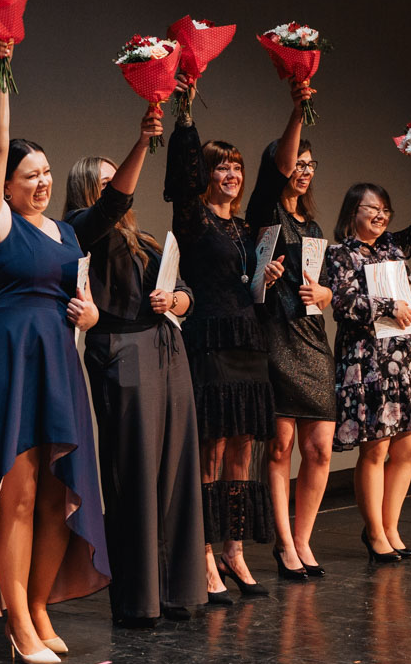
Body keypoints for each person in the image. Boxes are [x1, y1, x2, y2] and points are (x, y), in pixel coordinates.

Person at [0, 38, 107, 664]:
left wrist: (91, 315)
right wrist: (1, 69)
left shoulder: (65, 232)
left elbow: (81, 297)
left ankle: (38, 606)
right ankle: (15, 620)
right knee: (16, 495)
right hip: (10, 364)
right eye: (29, 175)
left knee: (56, 495)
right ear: (6, 186)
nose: (42, 182)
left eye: (46, 172)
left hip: (59, 366)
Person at [64, 108, 208, 628]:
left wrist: (177, 301)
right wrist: (144, 141)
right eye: (105, 184)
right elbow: (111, 207)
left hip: (168, 350)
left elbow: (186, 292)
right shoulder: (81, 230)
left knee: (177, 470)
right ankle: (139, 598)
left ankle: (178, 589)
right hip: (123, 352)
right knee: (136, 475)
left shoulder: (146, 240)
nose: (119, 190)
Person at [165, 78, 286, 600]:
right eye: (221, 167)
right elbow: (182, 174)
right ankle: (205, 553)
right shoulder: (193, 220)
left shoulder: (245, 229)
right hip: (211, 343)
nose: (232, 174)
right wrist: (186, 112)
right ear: (206, 175)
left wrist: (265, 278)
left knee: (243, 447)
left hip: (248, 341)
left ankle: (235, 550)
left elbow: (273, 179)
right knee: (211, 450)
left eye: (236, 166)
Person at [326, 159, 411, 564]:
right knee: (375, 450)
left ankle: (391, 527)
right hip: (368, 362)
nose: (381, 215)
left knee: (408, 449)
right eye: (373, 208)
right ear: (353, 212)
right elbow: (342, 303)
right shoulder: (339, 254)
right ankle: (374, 533)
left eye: (386, 209)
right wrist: (388, 305)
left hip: (405, 358)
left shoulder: (393, 247)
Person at [247, 83, 337, 580]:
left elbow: (325, 288)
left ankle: (304, 539)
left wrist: (325, 293)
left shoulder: (316, 228)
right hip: (276, 338)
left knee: (319, 448)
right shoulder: (268, 212)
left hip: (312, 341)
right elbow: (278, 169)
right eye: (296, 163)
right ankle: (284, 544)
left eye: (310, 165)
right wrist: (299, 109)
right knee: (280, 447)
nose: (303, 171)